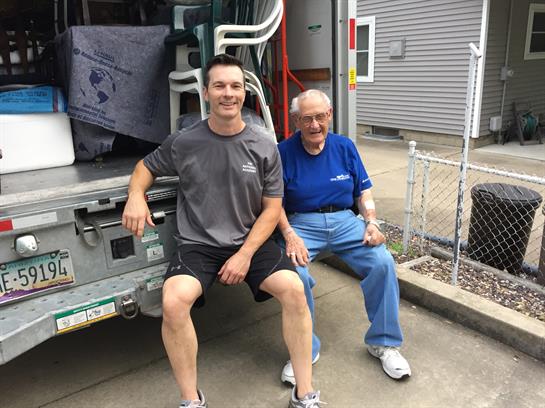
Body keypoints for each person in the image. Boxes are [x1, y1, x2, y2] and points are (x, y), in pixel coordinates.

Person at [122, 55, 323, 408]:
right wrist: (136, 195)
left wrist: (244, 255)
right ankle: (191, 400)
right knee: (173, 301)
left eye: (235, 86)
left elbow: (272, 209)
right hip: (198, 244)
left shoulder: (263, 145)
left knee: (294, 289)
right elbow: (145, 166)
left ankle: (304, 394)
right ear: (205, 93)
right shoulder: (184, 142)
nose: (228, 93)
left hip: (250, 240)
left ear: (244, 93)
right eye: (219, 86)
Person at [277, 89, 411, 385]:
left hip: (344, 219)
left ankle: (384, 343)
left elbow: (363, 191)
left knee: (382, 262)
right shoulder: (282, 152)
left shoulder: (344, 146)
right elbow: (273, 203)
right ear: (296, 120)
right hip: (301, 223)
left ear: (330, 115)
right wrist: (289, 235)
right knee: (294, 275)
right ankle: (304, 350)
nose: (315, 125)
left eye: (321, 117)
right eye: (307, 118)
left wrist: (372, 222)